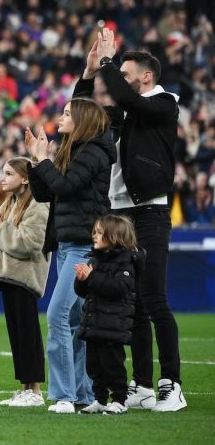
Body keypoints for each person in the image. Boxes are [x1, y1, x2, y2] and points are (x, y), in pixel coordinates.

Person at [75, 29, 186, 411]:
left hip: (151, 211)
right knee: (134, 302)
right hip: (120, 213)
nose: (119, 81)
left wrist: (108, 62)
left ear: (147, 77)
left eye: (125, 74)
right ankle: (140, 384)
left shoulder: (164, 104)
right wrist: (90, 73)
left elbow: (123, 97)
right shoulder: (127, 109)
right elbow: (82, 113)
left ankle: (172, 384)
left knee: (154, 298)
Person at [24, 97, 116, 413]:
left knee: (58, 315)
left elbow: (66, 187)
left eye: (66, 113)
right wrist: (37, 163)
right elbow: (45, 192)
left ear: (82, 120)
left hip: (83, 245)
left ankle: (64, 396)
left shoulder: (93, 152)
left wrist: (43, 160)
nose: (60, 118)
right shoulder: (75, 150)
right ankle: (83, 395)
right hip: (66, 244)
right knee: (75, 320)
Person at [0, 157, 50, 408]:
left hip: (25, 277)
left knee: (28, 335)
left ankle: (36, 391)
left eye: (9, 173)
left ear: (25, 178)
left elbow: (29, 244)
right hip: (8, 276)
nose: (3, 178)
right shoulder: (10, 202)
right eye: (3, 173)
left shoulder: (39, 204)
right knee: (18, 336)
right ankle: (25, 388)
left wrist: (0, 228)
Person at [75, 215, 143, 415]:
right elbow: (83, 292)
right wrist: (81, 280)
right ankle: (100, 399)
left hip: (112, 325)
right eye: (94, 232)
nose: (94, 236)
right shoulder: (94, 259)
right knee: (94, 366)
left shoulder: (125, 261)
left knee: (113, 364)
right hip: (94, 323)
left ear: (114, 236)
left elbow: (118, 289)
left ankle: (120, 400)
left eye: (99, 232)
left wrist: (92, 276)